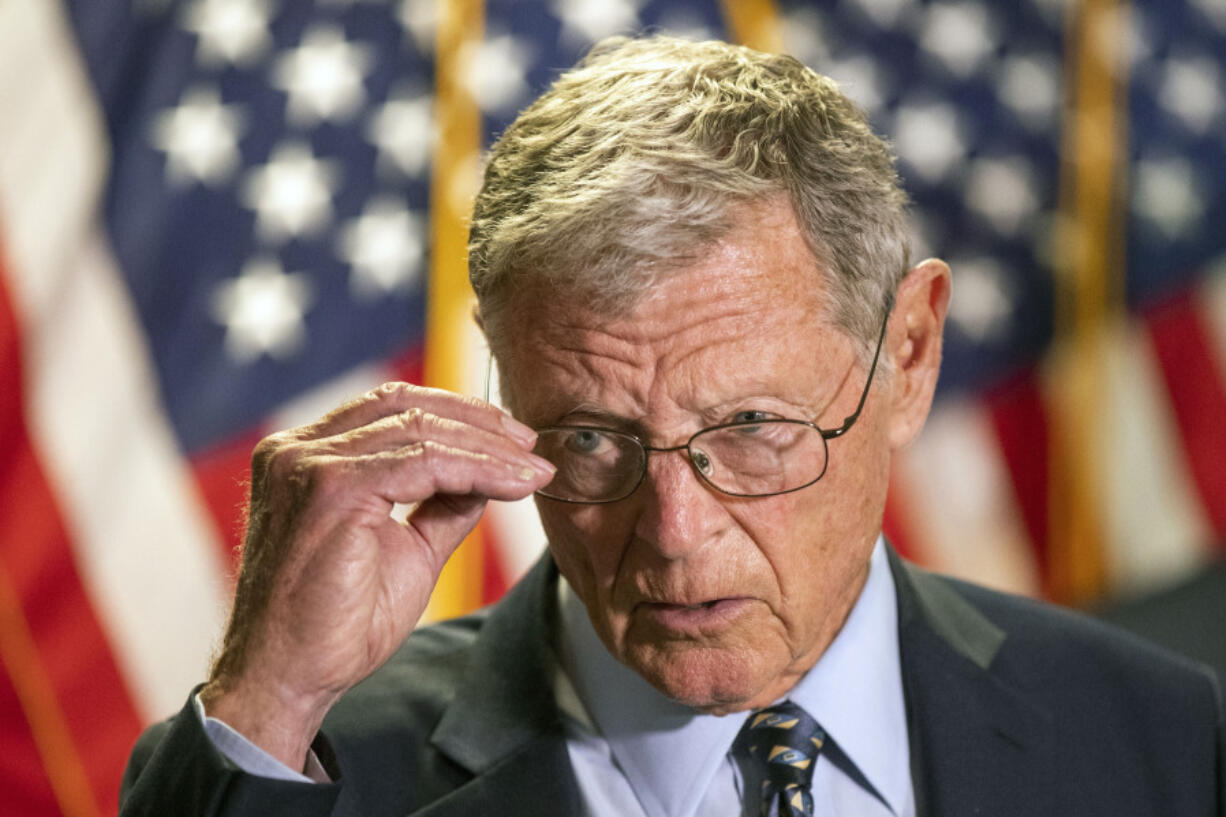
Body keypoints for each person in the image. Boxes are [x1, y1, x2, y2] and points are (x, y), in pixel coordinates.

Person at [119, 35, 1224, 817]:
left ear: (908, 355)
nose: (675, 536)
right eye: (591, 439)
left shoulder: (1157, 739)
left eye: (748, 425)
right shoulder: (301, 773)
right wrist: (266, 701)